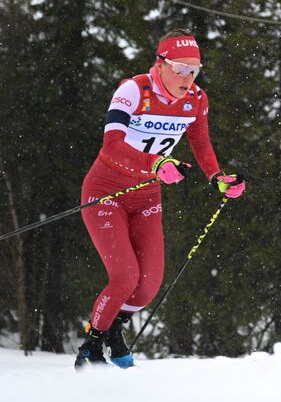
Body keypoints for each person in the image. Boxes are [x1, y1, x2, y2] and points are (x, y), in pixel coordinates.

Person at [74, 31, 246, 369]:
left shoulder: (196, 99)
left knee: (147, 286)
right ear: (161, 64)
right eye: (181, 69)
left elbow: (201, 143)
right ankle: (91, 347)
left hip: (147, 195)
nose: (187, 78)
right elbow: (111, 146)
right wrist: (156, 163)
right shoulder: (133, 90)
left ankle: (113, 329)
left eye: (194, 70)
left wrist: (218, 178)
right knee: (124, 276)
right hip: (106, 191)